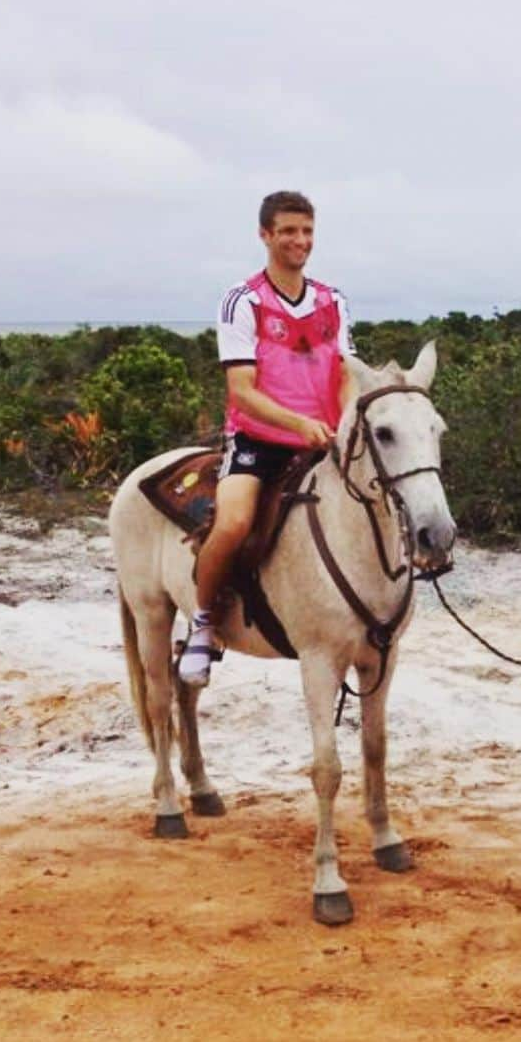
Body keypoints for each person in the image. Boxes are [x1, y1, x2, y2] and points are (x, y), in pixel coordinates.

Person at [177, 191, 356, 686]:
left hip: (322, 437)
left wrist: (341, 420)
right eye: (289, 232)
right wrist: (297, 423)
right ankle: (204, 622)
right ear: (265, 235)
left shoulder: (332, 300)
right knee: (232, 523)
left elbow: (343, 371)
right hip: (258, 440)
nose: (300, 241)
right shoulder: (244, 300)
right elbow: (242, 390)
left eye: (307, 232)